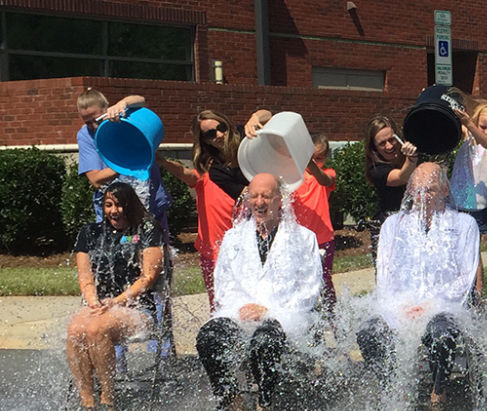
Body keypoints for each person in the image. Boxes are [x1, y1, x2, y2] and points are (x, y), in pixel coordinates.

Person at [356, 163, 481, 411]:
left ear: (445, 190)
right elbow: (385, 271)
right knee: (367, 332)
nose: (424, 195)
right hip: (401, 305)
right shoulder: (394, 225)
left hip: (445, 305)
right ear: (410, 191)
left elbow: (465, 276)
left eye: (431, 189)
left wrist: (431, 304)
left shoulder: (464, 224)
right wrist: (399, 305)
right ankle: (394, 387)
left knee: (441, 332)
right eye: (418, 189)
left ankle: (438, 395)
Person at [195, 173, 323, 411]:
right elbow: (223, 284)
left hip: (286, 313)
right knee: (208, 336)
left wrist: (269, 310)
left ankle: (266, 401)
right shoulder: (233, 238)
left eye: (266, 195)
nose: (259, 201)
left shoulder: (304, 237)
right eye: (253, 196)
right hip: (240, 311)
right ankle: (230, 397)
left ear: (280, 200)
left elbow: (310, 288)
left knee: (266, 336)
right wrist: (241, 307)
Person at [65, 182, 164, 411]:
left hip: (137, 309)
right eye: (108, 205)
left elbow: (148, 278)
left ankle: (108, 400)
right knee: (76, 330)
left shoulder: (148, 229)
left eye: (119, 204)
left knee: (96, 329)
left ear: (130, 206)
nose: (113, 210)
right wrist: (94, 303)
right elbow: (85, 277)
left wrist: (116, 302)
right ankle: (88, 404)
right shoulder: (89, 233)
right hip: (100, 307)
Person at [159, 109, 269, 308]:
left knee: (251, 299)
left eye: (221, 128)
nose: (218, 135)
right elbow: (187, 174)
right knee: (219, 303)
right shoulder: (210, 169)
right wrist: (162, 162)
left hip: (244, 243)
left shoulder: (247, 148)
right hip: (213, 247)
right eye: (210, 134)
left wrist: (254, 117)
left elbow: (267, 114)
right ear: (205, 141)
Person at [76, 88, 173, 234]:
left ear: (107, 109)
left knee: (156, 247)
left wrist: (123, 103)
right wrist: (128, 160)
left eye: (97, 119)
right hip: (116, 214)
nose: (94, 127)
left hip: (151, 203)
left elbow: (141, 99)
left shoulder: (120, 116)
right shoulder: (85, 135)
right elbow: (96, 180)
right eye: (88, 122)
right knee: (125, 244)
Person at [290, 134, 339, 320]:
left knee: (324, 282)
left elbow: (323, 180)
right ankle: (306, 324)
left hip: (323, 238)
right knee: (299, 284)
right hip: (298, 240)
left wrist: (309, 163)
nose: (316, 162)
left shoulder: (329, 173)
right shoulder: (293, 177)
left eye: (320, 158)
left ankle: (334, 322)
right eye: (312, 157)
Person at [364, 115, 419, 262]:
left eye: (391, 139)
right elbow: (401, 177)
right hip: (387, 224)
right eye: (382, 143)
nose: (389, 146)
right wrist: (412, 159)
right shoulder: (375, 169)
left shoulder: (410, 154)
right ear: (374, 148)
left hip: (413, 220)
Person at [452, 100, 487, 234]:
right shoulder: (468, 137)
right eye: (483, 127)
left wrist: (469, 123)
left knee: (473, 245)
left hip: (477, 206)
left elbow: (486, 142)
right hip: (455, 202)